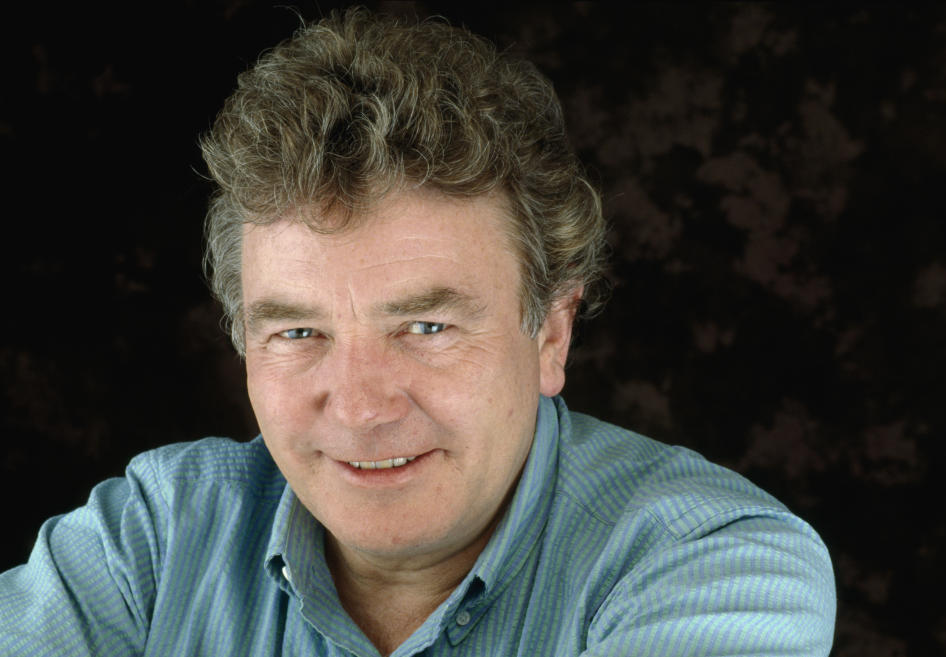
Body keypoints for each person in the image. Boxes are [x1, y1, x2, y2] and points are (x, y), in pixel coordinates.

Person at [0, 7, 835, 656]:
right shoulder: (150, 539)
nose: (361, 407)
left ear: (552, 332)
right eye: (298, 333)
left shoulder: (717, 563)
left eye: (426, 325)